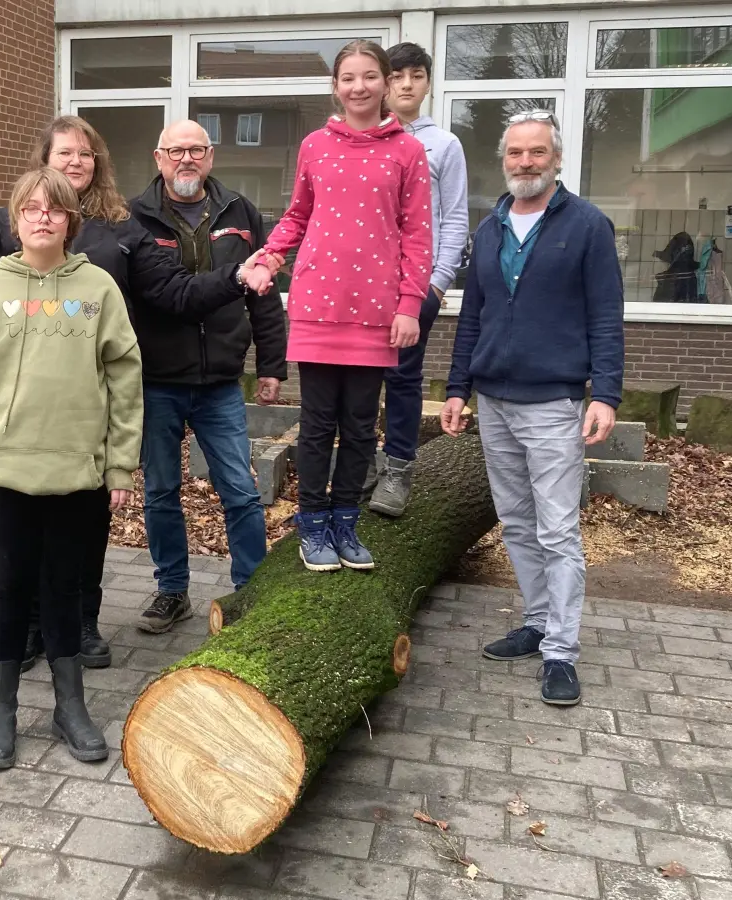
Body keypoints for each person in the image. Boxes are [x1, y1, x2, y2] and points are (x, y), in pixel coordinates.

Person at [0, 115, 272, 669]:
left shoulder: (122, 226)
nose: (76, 162)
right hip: (20, 406)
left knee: (86, 522)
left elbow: (174, 292)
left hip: (93, 401)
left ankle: (83, 623)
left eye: (86, 154)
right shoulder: (7, 225)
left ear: (98, 163)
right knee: (24, 525)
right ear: (44, 160)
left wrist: (233, 279)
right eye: (65, 153)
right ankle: (32, 625)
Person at [0, 167, 143, 770]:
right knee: (10, 586)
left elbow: (125, 377)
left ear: (70, 221)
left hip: (76, 469)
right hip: (5, 469)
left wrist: (119, 466)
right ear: (16, 219)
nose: (42, 217)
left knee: (64, 585)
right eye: (30, 208)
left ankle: (70, 706)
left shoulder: (98, 289)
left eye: (54, 210)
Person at [440, 111, 625, 708]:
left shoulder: (588, 226)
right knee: (517, 522)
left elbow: (605, 315)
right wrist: (456, 387)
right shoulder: (490, 228)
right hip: (493, 400)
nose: (526, 162)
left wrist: (607, 394)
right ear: (504, 160)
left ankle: (562, 653)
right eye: (515, 152)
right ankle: (539, 622)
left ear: (557, 158)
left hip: (554, 402)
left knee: (558, 529)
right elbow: (473, 316)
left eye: (537, 152)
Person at [249, 40, 433, 573]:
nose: (359, 87)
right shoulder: (315, 145)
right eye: (348, 77)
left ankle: (345, 524)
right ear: (336, 85)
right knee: (316, 424)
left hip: (377, 313)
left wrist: (408, 305)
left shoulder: (407, 151)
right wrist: (269, 255)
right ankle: (312, 525)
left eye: (369, 76)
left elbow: (418, 236)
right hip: (317, 307)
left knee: (358, 426)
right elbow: (297, 215)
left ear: (385, 83)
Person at [127, 119, 286, 633]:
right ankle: (172, 591)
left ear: (211, 155)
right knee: (161, 491)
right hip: (158, 380)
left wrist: (271, 364)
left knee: (240, 488)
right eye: (176, 151)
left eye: (196, 150)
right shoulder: (136, 217)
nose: (186, 160)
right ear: (159, 158)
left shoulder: (240, 213)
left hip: (220, 380)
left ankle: (251, 590)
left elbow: (263, 291)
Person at [370, 43, 470, 518]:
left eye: (416, 75)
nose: (406, 84)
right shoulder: (365, 138)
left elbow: (453, 218)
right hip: (363, 286)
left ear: (428, 83)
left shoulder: (444, 145)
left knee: (403, 378)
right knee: (358, 377)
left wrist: (437, 282)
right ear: (383, 83)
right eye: (397, 76)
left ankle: (398, 470)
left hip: (416, 286)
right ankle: (361, 463)